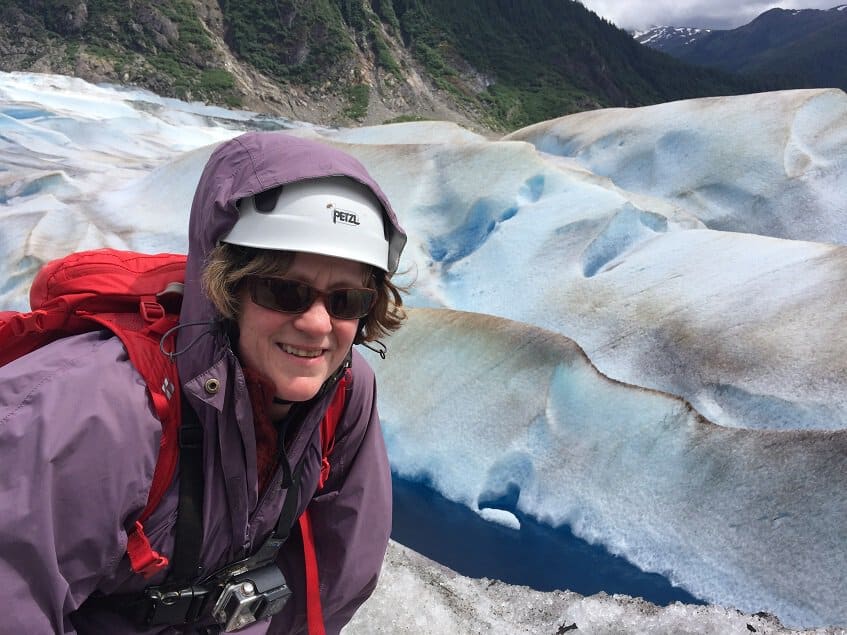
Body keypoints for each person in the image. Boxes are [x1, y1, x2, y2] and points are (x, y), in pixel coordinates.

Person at [0, 131, 407, 633]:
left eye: (346, 300)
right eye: (285, 291)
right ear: (226, 288)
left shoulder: (345, 392)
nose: (319, 324)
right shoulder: (99, 408)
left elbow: (336, 574)